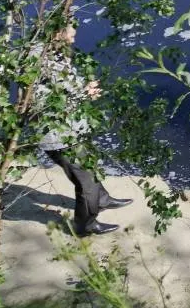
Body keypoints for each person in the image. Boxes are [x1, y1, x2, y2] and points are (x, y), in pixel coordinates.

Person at [36, 25, 132, 236]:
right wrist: (85, 93)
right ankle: (84, 226)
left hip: (70, 129)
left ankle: (103, 199)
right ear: (56, 33)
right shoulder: (43, 59)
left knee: (90, 163)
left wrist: (85, 89)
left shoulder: (53, 54)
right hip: (58, 136)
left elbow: (66, 86)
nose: (72, 41)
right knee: (85, 182)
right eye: (70, 36)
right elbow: (52, 97)